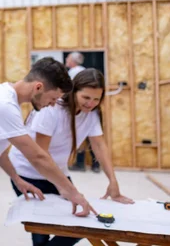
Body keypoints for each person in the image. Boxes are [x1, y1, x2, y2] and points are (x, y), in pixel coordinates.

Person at [0, 57, 97, 246]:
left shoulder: (5, 96)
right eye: (53, 99)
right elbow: (38, 156)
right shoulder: (3, 105)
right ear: (38, 87)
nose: (52, 104)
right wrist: (73, 193)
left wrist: (17, 179)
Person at [7, 68, 134, 246]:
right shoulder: (51, 109)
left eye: (96, 99)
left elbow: (99, 145)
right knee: (42, 230)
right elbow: (41, 155)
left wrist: (113, 181)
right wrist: (64, 187)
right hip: (28, 171)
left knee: (81, 221)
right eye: (86, 98)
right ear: (74, 92)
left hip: (56, 171)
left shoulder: (92, 114)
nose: (91, 104)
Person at [65, 52, 100, 172]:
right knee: (91, 138)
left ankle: (80, 164)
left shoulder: (72, 72)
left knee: (79, 136)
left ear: (73, 61)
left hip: (78, 109)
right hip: (88, 111)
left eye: (68, 59)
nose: (66, 60)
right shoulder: (85, 71)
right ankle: (95, 165)